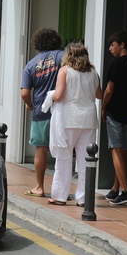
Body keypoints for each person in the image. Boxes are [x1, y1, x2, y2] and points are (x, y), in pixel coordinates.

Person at [47, 42, 103, 206]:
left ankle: (59, 196)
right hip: (88, 120)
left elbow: (59, 95)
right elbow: (98, 94)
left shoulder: (65, 71)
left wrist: (49, 97)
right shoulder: (93, 72)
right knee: (86, 160)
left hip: (69, 119)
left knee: (64, 158)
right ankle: (83, 198)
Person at [20, 28, 64, 197]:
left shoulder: (31, 63)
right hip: (61, 110)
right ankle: (62, 189)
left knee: (41, 149)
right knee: (63, 150)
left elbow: (24, 93)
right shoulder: (62, 56)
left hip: (40, 110)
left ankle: (39, 187)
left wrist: (29, 104)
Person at [101, 30, 127, 205]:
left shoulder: (116, 63)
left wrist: (103, 107)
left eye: (113, 45)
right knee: (123, 151)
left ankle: (125, 191)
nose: (110, 48)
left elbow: (109, 89)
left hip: (116, 113)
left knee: (116, 150)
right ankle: (115, 188)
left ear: (122, 45)